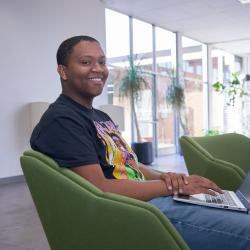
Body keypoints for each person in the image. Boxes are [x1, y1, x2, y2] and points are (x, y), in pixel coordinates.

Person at [30, 35, 250, 250]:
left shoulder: (99, 116)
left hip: (151, 199)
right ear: (63, 71)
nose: (98, 69)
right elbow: (100, 188)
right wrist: (176, 188)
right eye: (86, 62)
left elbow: (128, 164)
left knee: (238, 206)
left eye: (102, 62)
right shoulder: (62, 120)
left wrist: (166, 178)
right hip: (140, 212)